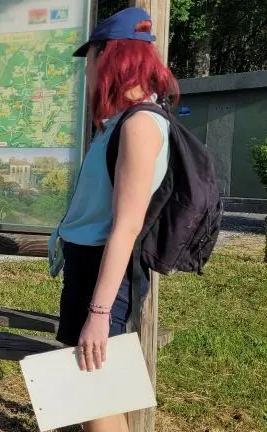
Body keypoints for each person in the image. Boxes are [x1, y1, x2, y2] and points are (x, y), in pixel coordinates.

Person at [47, 7, 179, 432]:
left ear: (111, 57)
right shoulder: (119, 122)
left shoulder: (140, 125)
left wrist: (99, 312)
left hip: (107, 272)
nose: (88, 71)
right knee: (93, 394)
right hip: (90, 264)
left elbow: (126, 225)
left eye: (92, 59)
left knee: (93, 391)